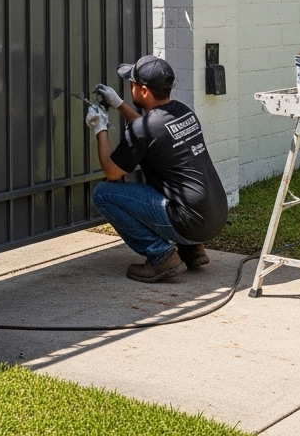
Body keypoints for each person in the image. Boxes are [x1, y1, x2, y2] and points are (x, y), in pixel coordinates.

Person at [86, 55, 228, 283]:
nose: (130, 87)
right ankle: (191, 250)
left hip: (189, 220)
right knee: (169, 181)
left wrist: (99, 128)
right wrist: (119, 104)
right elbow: (148, 131)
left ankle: (161, 256)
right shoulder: (183, 111)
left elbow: (112, 172)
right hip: (214, 215)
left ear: (143, 91)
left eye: (132, 84)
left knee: (103, 194)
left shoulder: (146, 128)